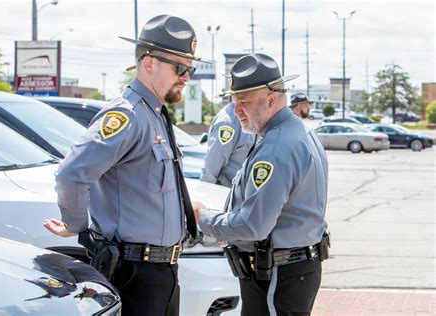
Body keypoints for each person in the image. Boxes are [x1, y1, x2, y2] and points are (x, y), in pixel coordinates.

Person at [43, 14, 202, 316]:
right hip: (134, 273)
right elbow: (72, 174)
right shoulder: (126, 115)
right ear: (149, 63)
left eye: (190, 68)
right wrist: (77, 226)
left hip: (162, 272)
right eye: (180, 67)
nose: (186, 77)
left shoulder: (155, 114)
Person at [193, 53, 330, 316]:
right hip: (291, 270)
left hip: (278, 275)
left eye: (243, 102)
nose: (236, 111)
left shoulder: (276, 148)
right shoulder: (296, 132)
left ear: (271, 99)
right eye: (234, 102)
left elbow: (253, 225)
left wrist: (203, 218)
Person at [200, 102, 254, 187]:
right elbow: (212, 166)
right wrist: (205, 196)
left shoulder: (247, 115)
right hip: (224, 192)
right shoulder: (228, 123)